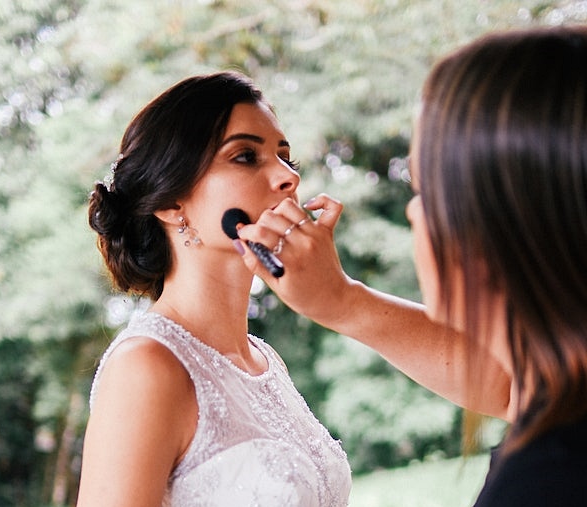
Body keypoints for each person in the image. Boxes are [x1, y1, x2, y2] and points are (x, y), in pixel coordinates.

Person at [235, 26, 587, 506]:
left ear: (502, 217)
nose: (412, 213)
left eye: (424, 191)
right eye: (245, 156)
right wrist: (341, 302)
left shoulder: (547, 479)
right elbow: (510, 388)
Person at [76, 72, 351, 506]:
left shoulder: (265, 361)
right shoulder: (146, 366)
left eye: (286, 157)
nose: (288, 178)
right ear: (170, 201)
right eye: (245, 156)